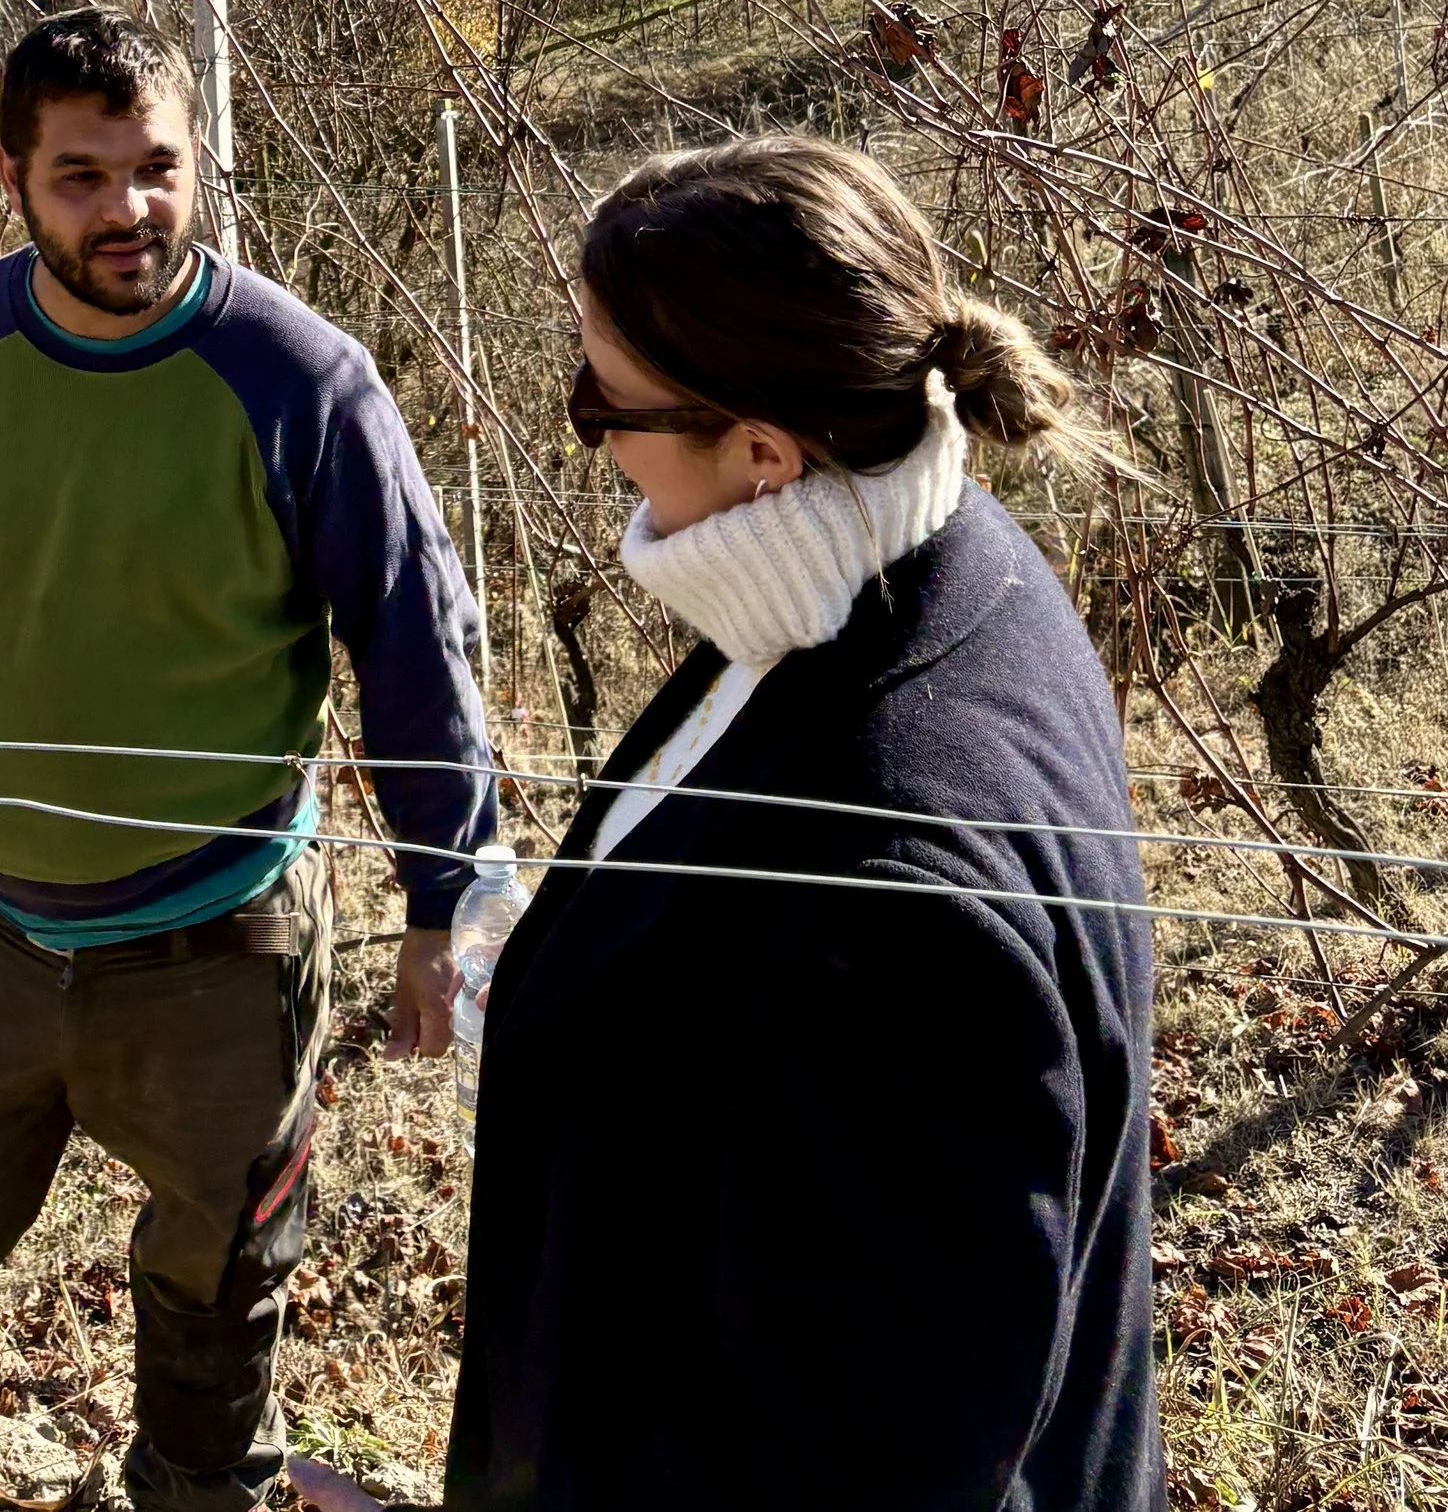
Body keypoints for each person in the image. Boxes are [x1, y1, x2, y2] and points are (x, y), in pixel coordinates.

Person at [0, 8, 496, 1512]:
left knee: (221, 1269)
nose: (128, 209)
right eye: (83, 174)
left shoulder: (302, 380)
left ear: (199, 162)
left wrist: (444, 906)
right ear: (15, 177)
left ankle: (194, 1496)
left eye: (157, 167)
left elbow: (419, 649)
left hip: (220, 942)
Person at [445, 135, 1163, 1512]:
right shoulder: (910, 573)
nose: (585, 428)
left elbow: (885, 1466)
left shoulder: (890, 888)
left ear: (765, 449)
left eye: (608, 402)